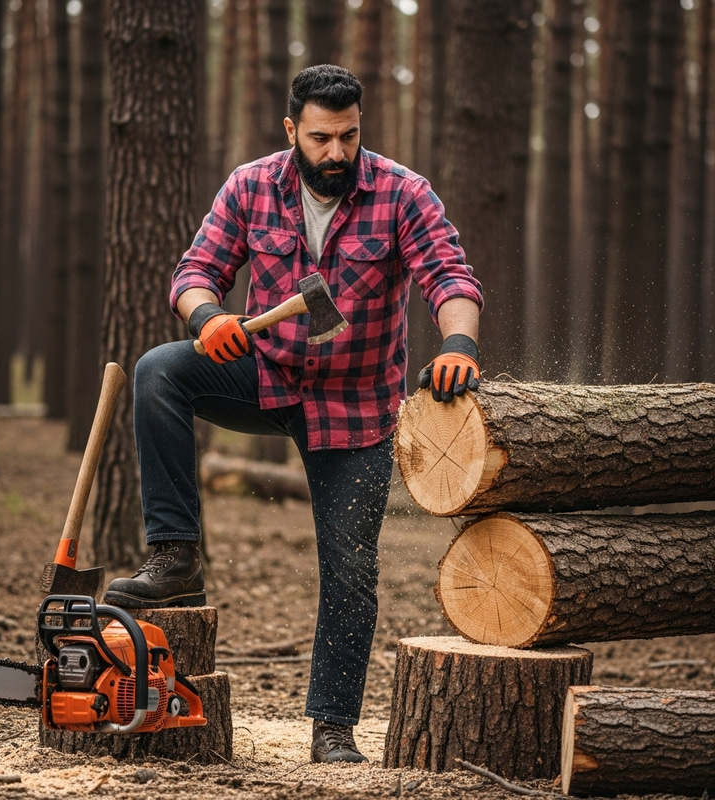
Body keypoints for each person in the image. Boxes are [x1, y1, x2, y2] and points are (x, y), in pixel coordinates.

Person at [103, 64, 484, 764]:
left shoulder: (403, 193)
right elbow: (193, 274)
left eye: (349, 135)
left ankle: (333, 728)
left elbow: (450, 277)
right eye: (320, 138)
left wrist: (458, 342)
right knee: (161, 371)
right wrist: (209, 315)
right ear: (291, 131)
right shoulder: (250, 186)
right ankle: (175, 553)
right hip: (265, 377)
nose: (336, 152)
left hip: (356, 408)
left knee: (349, 569)